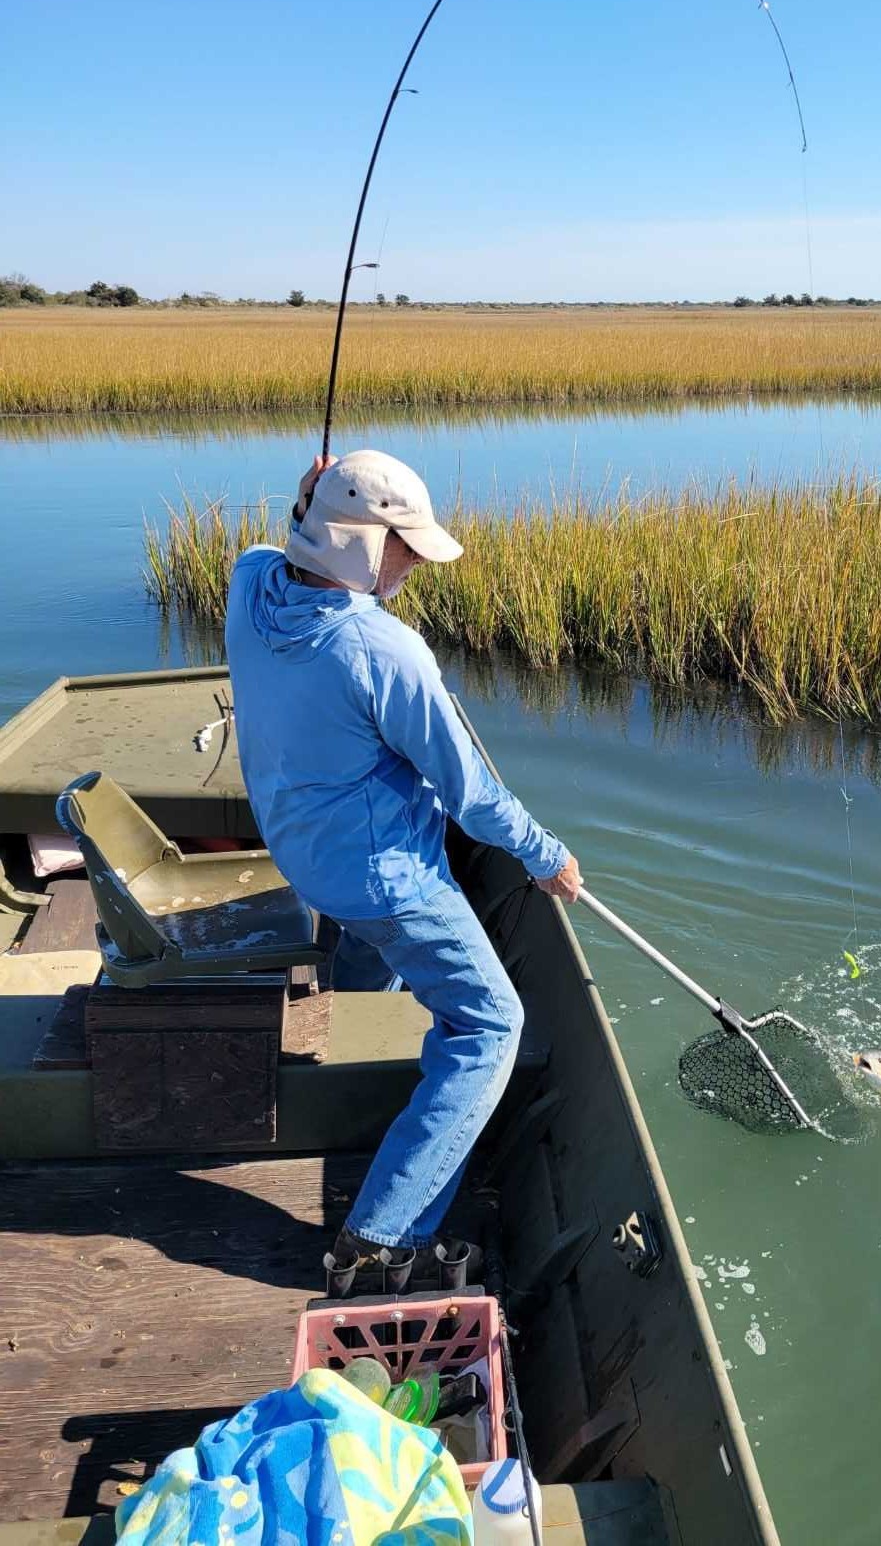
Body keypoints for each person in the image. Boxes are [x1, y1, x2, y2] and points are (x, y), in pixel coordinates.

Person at [225, 448, 580, 1286]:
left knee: (369, 942)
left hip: (305, 856)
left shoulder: (248, 586)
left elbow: (273, 549)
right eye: (402, 546)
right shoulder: (385, 652)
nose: (416, 562)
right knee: (491, 1026)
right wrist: (548, 857)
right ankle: (385, 1235)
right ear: (353, 543)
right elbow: (474, 798)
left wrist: (306, 504)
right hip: (385, 882)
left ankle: (357, 1028)